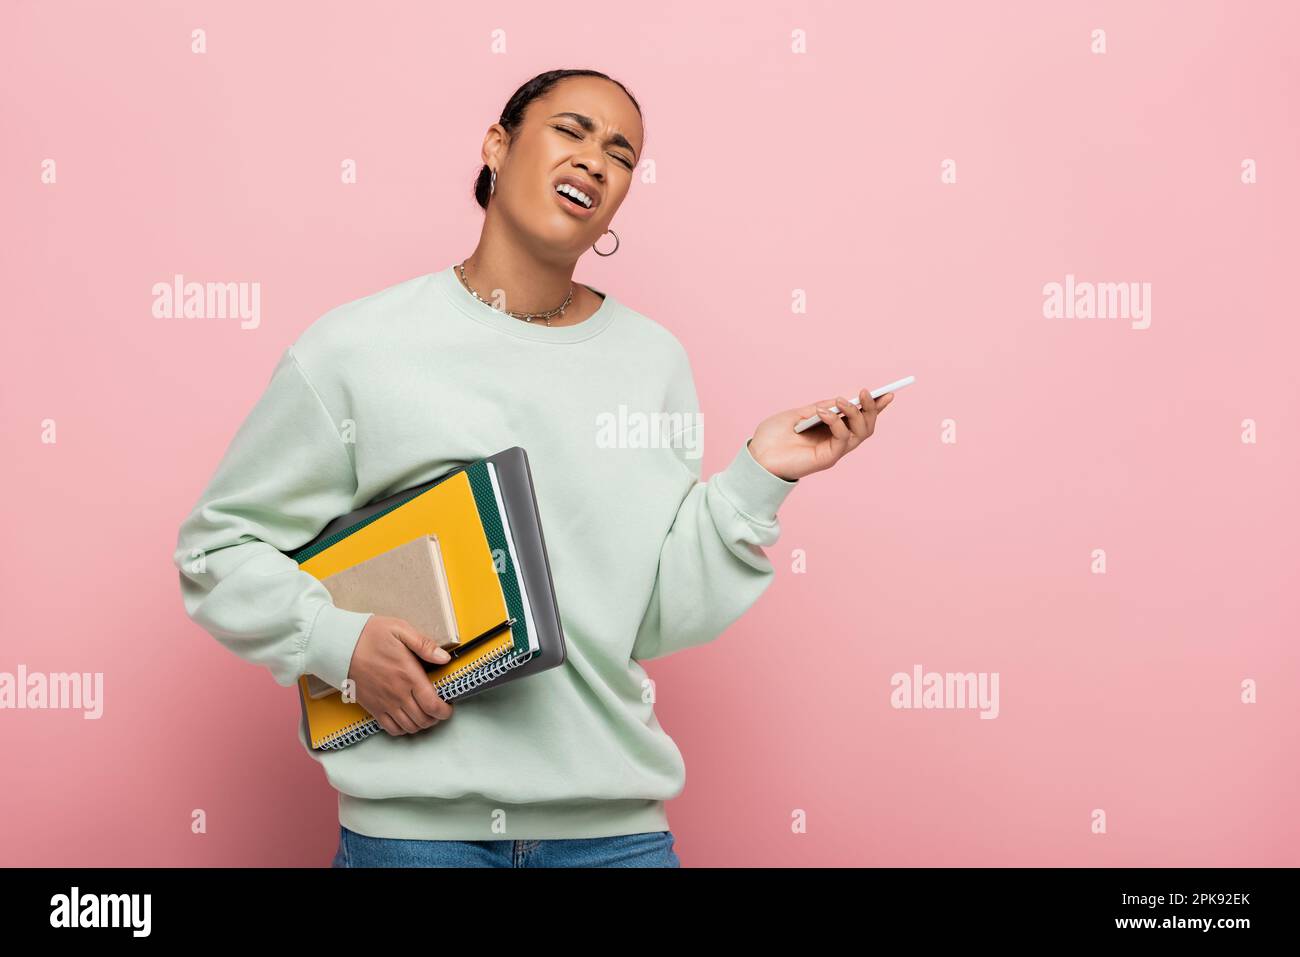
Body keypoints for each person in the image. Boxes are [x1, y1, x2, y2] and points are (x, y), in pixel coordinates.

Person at [172, 68, 895, 868]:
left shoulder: (652, 362)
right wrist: (335, 641)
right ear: (497, 144)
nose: (595, 161)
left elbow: (649, 615)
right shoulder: (356, 348)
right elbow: (216, 551)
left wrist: (762, 473)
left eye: (621, 155)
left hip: (615, 837)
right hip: (415, 841)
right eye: (572, 131)